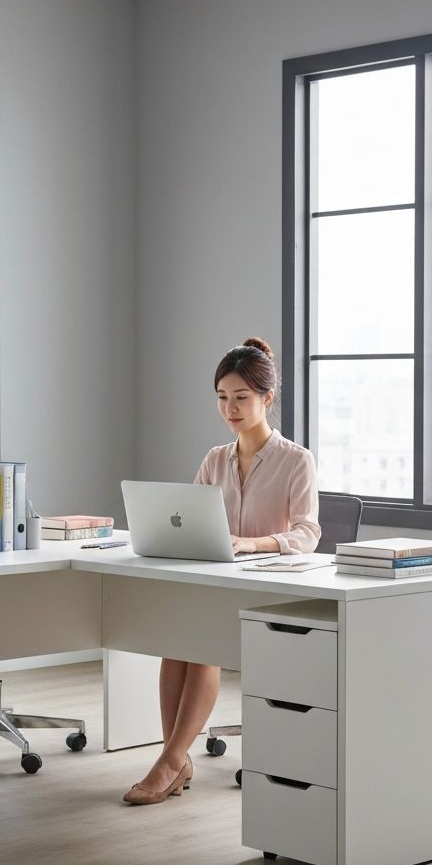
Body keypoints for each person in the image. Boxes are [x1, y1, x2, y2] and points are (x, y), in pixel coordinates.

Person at [123, 336, 321, 805]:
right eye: (222, 398)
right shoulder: (215, 460)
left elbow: (308, 533)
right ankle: (177, 756)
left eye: (241, 398)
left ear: (266, 399)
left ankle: (170, 762)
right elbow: (187, 516)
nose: (230, 408)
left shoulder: (296, 461)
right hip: (216, 580)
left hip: (269, 587)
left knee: (200, 644)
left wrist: (251, 543)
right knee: (175, 645)